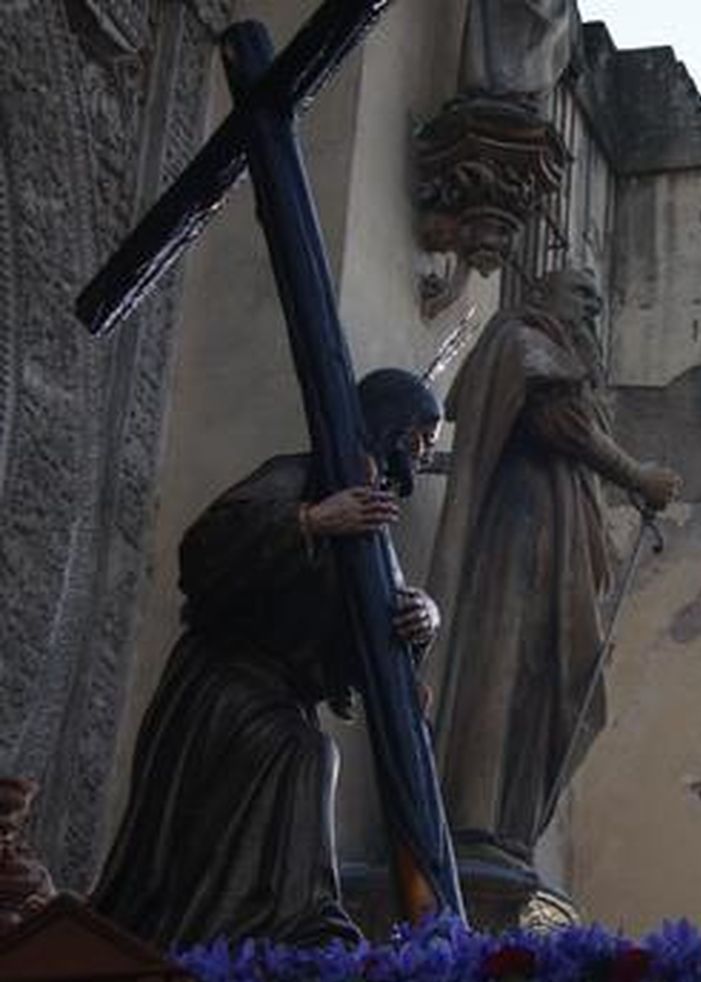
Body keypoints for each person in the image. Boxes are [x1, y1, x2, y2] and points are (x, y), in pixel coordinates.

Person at [91, 369, 445, 948]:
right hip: (225, 685)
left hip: (282, 700)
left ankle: (270, 931)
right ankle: (255, 933)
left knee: (307, 750)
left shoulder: (377, 534)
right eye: (420, 435)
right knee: (303, 753)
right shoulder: (299, 476)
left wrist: (421, 618)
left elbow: (362, 655)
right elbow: (203, 550)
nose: (424, 452)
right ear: (388, 424)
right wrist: (310, 519)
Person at [427, 267, 679, 871]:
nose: (592, 306)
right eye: (580, 293)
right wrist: (636, 476)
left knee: (547, 668)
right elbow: (559, 422)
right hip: (525, 517)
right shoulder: (518, 338)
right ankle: (474, 812)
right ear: (539, 294)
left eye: (598, 296)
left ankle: (510, 819)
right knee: (507, 655)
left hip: (557, 517)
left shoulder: (559, 354)